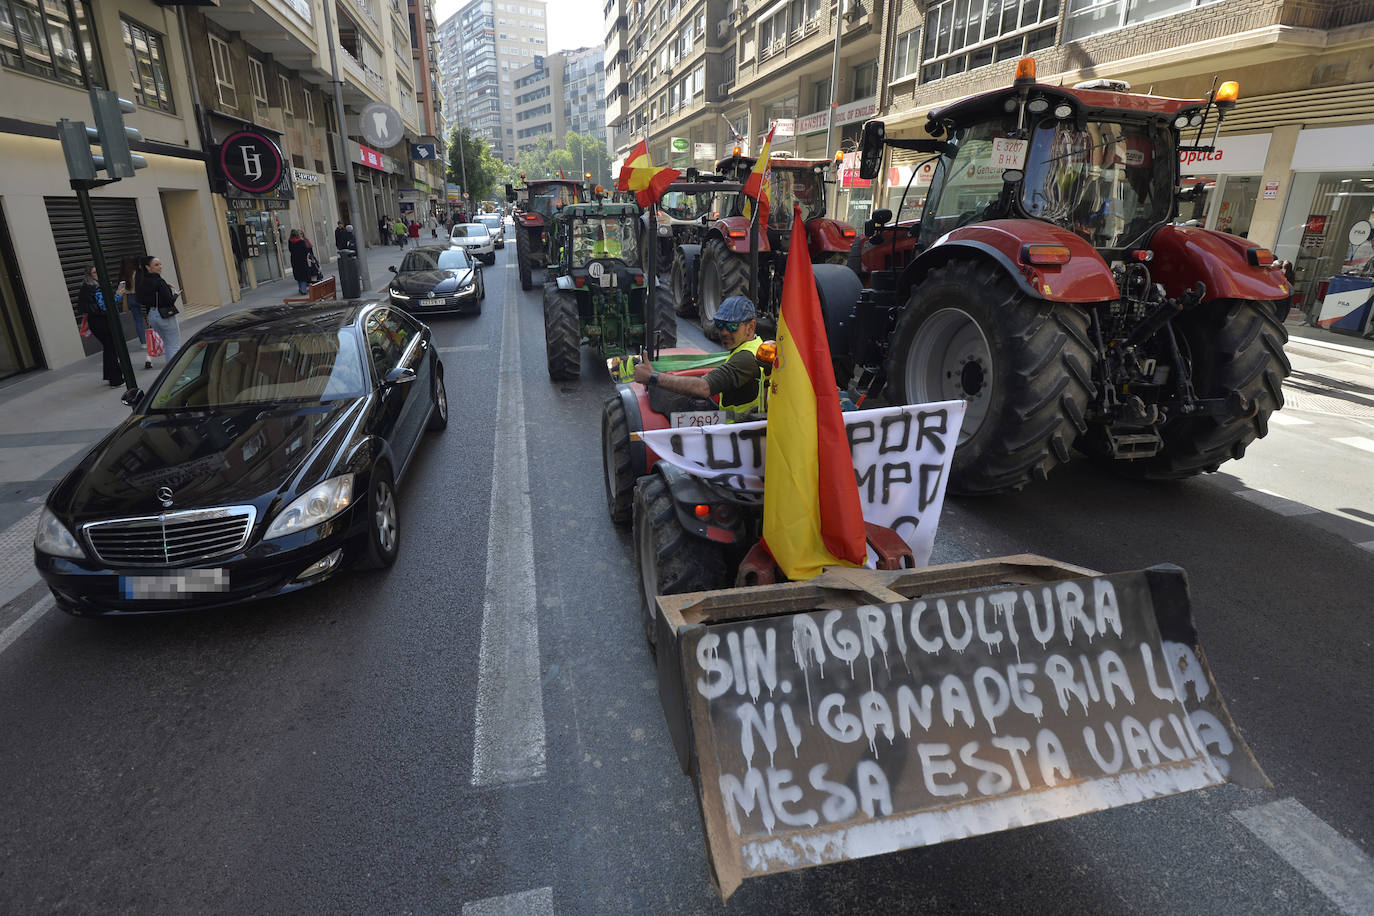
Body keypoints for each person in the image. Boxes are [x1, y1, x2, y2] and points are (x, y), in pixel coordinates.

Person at [634, 296, 766, 421]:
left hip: (739, 433)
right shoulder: (754, 347)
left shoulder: (746, 358)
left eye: (732, 326)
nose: (724, 332)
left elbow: (703, 388)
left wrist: (652, 377)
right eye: (720, 325)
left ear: (750, 327)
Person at [78, 266, 124, 387]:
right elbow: (104, 306)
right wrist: (118, 295)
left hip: (95, 322)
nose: (97, 274)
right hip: (102, 322)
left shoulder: (86, 287)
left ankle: (110, 375)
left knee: (108, 348)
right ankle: (116, 380)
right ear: (90, 275)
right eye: (94, 272)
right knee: (111, 349)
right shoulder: (96, 287)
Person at [137, 255, 182, 366]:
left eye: (160, 264)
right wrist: (176, 295)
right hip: (165, 315)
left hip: (152, 315)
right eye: (156, 265)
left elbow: (141, 299)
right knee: (173, 345)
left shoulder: (142, 281)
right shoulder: (159, 281)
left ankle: (169, 372)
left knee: (167, 344)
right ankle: (175, 374)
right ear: (148, 267)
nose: (160, 267)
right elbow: (169, 301)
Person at [117, 256, 151, 369]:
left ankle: (143, 342)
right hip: (140, 296)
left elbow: (121, 289)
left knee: (137, 320)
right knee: (148, 316)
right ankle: (152, 338)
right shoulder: (137, 272)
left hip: (130, 298)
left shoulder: (123, 275)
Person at [288, 229, 312, 294]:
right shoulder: (301, 242)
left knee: (298, 275)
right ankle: (303, 290)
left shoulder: (290, 242)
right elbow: (306, 251)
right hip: (302, 260)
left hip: (294, 260)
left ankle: (300, 288)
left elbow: (290, 250)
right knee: (303, 275)